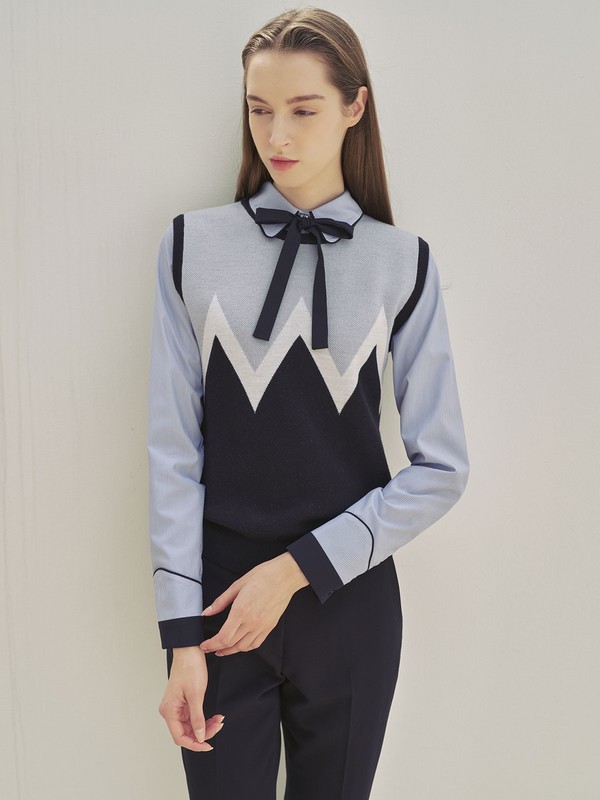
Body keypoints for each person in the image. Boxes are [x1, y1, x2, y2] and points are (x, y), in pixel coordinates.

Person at [146, 7, 469, 799]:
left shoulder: (403, 263)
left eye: (303, 109)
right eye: (260, 110)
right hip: (220, 612)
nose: (277, 135)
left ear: (355, 107)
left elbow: (442, 469)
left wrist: (294, 571)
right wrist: (180, 636)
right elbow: (173, 451)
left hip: (349, 605)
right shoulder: (190, 246)